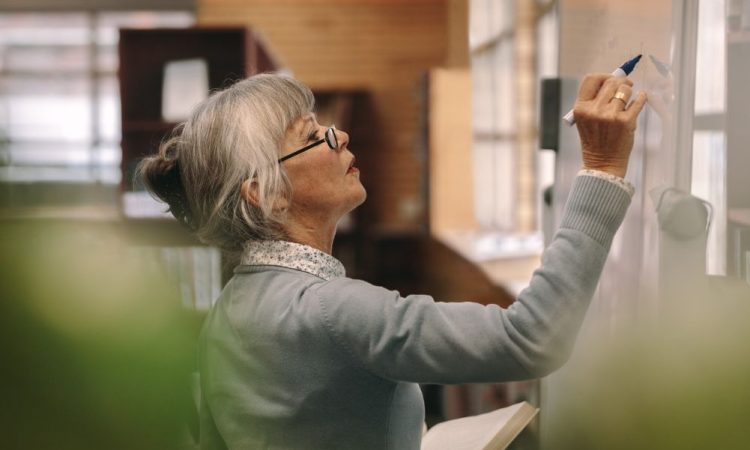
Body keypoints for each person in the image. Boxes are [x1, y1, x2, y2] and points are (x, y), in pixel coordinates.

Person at [137, 72, 647, 449]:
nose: (341, 137)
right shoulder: (334, 310)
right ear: (266, 196)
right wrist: (601, 171)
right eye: (312, 137)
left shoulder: (229, 308)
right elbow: (530, 338)